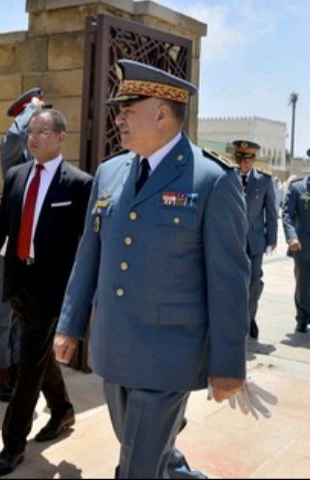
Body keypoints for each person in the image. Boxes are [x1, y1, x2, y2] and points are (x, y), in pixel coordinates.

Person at [53, 59, 250, 479]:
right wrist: (70, 324)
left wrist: (228, 364)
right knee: (137, 442)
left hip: (169, 354)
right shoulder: (110, 172)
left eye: (128, 109)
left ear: (161, 113)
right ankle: (175, 469)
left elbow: (230, 281)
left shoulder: (211, 179)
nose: (118, 119)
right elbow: (90, 254)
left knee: (137, 465)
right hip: (114, 343)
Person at [0, 109, 93, 477]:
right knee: (38, 354)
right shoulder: (17, 176)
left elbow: (90, 243)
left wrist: (82, 293)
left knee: (27, 366)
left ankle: (12, 445)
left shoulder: (79, 185)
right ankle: (62, 410)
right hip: (17, 281)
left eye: (42, 131)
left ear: (61, 137)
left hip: (50, 288)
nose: (33, 138)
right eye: (30, 131)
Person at [0, 87, 46, 402]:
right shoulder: (14, 157)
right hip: (12, 248)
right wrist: (30, 109)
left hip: (37, 249)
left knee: (27, 313)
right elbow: (10, 139)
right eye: (34, 121)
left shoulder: (45, 159)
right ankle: (2, 369)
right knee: (5, 312)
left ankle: (19, 363)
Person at [233, 139, 277, 340]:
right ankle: (233, 318)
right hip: (232, 239)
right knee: (232, 280)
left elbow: (271, 211)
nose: (244, 163)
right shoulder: (227, 177)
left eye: (248, 159)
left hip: (255, 241)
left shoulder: (264, 180)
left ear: (254, 159)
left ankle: (250, 318)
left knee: (254, 281)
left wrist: (272, 239)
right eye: (240, 158)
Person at [282, 174, 310, 333]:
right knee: (303, 284)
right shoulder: (297, 187)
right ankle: (302, 317)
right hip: (303, 245)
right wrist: (292, 237)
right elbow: (288, 214)